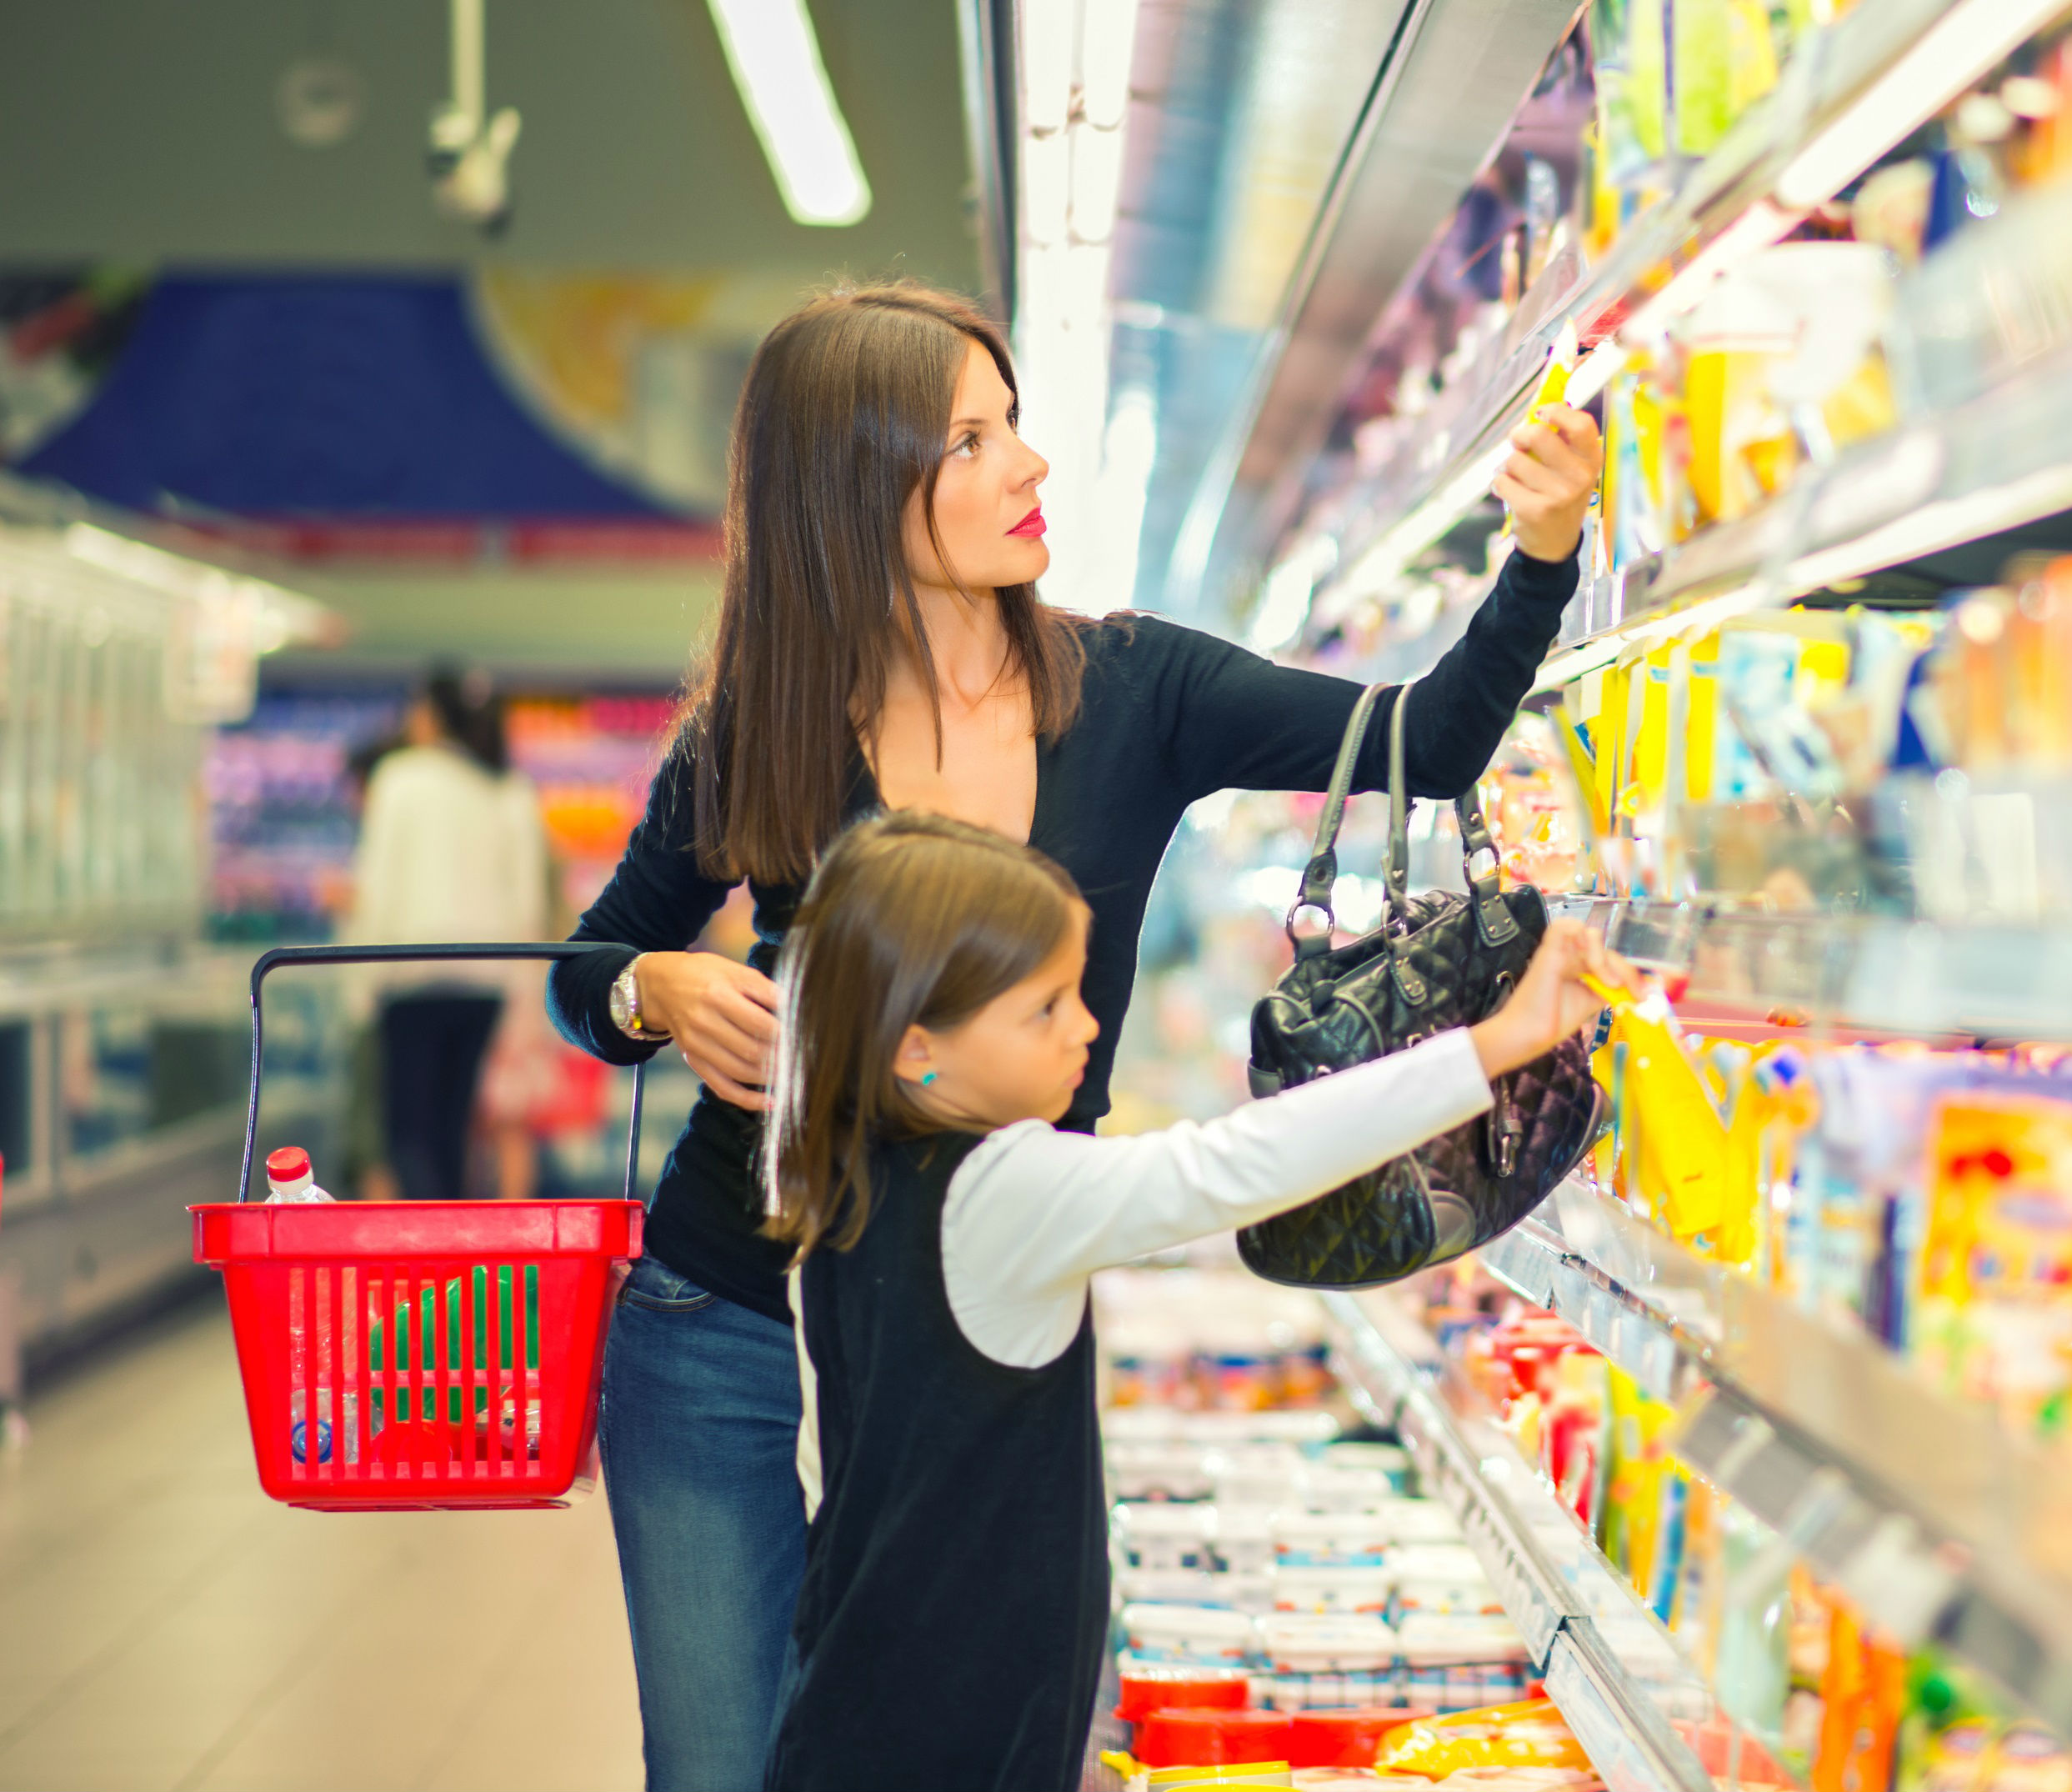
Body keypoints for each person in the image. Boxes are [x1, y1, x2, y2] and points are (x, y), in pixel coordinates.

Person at [545, 278, 1600, 1789]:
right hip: (721, 1305)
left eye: (1015, 426)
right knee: (722, 1767)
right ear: (855, 488)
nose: (1028, 469)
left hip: (969, 1314)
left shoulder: (1133, 689)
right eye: (970, 441)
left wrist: (1543, 549)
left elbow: (1422, 744)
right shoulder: (759, 728)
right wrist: (656, 987)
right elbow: (585, 971)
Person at [753, 813, 1624, 1791]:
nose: (1086, 1024)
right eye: (1045, 1008)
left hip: (860, 1701)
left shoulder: (842, 1184)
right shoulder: (999, 1189)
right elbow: (1232, 1166)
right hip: (964, 1730)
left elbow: (827, 1473)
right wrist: (1498, 1042)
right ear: (920, 1048)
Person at [348, 663, 551, 1202]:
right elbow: (526, 902)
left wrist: (361, 989)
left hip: (411, 975)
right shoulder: (507, 787)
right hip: (485, 980)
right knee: (455, 1128)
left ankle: (423, 1263)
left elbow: (379, 885)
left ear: (431, 716)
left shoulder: (399, 779)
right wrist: (524, 1001)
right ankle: (456, 1267)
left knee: (409, 1135)